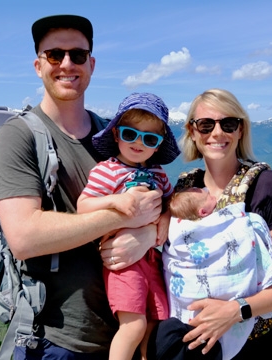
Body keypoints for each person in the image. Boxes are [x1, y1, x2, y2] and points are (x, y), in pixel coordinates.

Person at [0, 15, 163, 359]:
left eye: (78, 55)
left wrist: (149, 234)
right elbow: (23, 237)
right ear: (38, 65)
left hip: (125, 329)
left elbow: (157, 201)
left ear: (92, 64)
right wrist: (122, 216)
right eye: (54, 55)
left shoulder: (116, 135)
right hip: (57, 338)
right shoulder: (20, 135)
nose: (66, 64)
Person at [151, 89, 272, 360]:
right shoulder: (185, 190)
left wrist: (236, 310)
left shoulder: (269, 185)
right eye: (205, 124)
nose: (217, 133)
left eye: (228, 123)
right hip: (192, 343)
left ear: (240, 130)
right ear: (192, 131)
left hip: (253, 346)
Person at [77, 92, 180, 360]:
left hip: (153, 259)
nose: (138, 143)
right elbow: (83, 206)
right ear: (116, 135)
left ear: (157, 145)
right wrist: (115, 201)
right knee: (133, 325)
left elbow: (170, 202)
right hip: (124, 262)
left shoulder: (159, 173)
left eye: (149, 138)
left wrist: (166, 218)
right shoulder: (106, 171)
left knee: (157, 322)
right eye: (130, 134)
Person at [163, 187, 272, 359]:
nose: (211, 194)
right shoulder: (183, 186)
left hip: (253, 342)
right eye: (207, 195)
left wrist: (236, 309)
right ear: (203, 212)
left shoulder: (270, 183)